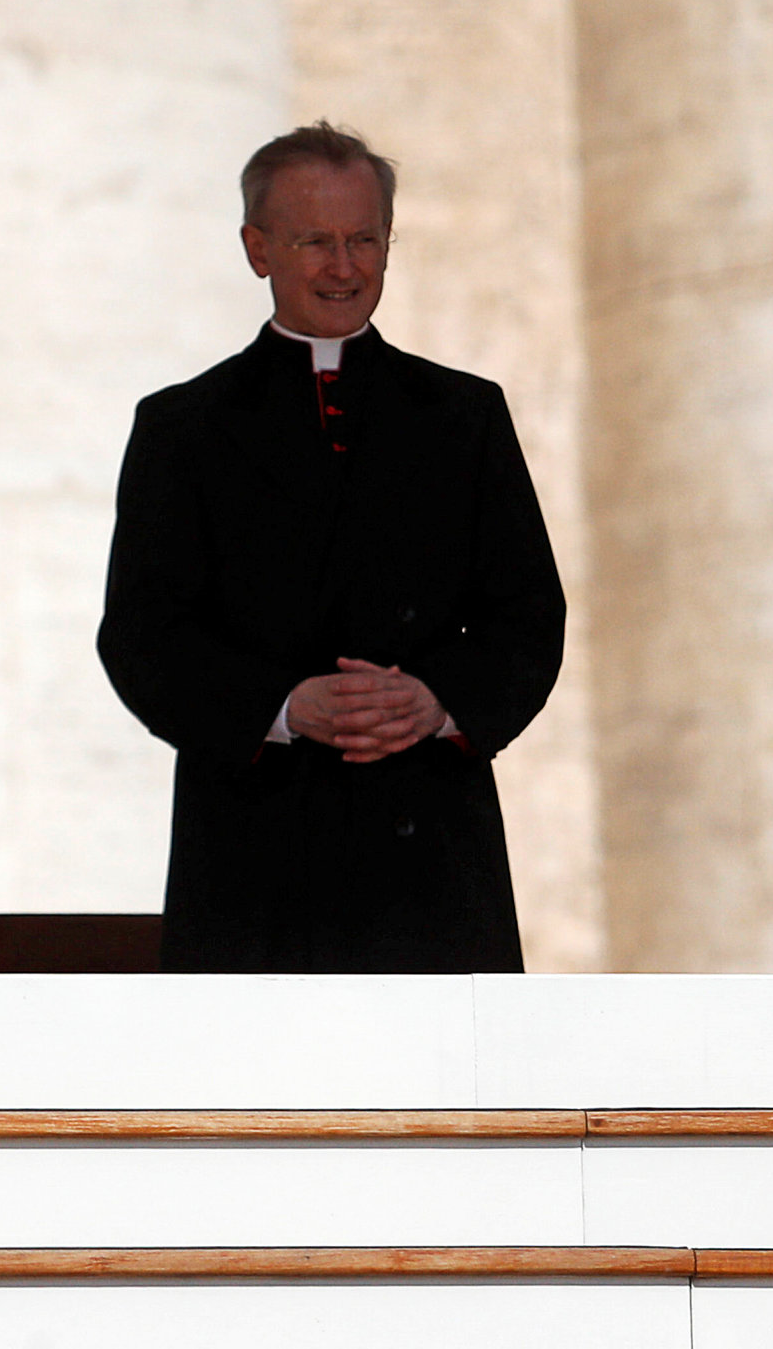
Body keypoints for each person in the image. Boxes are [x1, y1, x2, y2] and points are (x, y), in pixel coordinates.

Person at [97, 125, 565, 971]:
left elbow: (528, 617)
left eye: (364, 239)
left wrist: (437, 701)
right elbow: (143, 636)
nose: (344, 267)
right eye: (316, 240)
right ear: (257, 248)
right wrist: (281, 707)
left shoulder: (465, 416)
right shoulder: (181, 430)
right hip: (254, 856)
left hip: (432, 858)